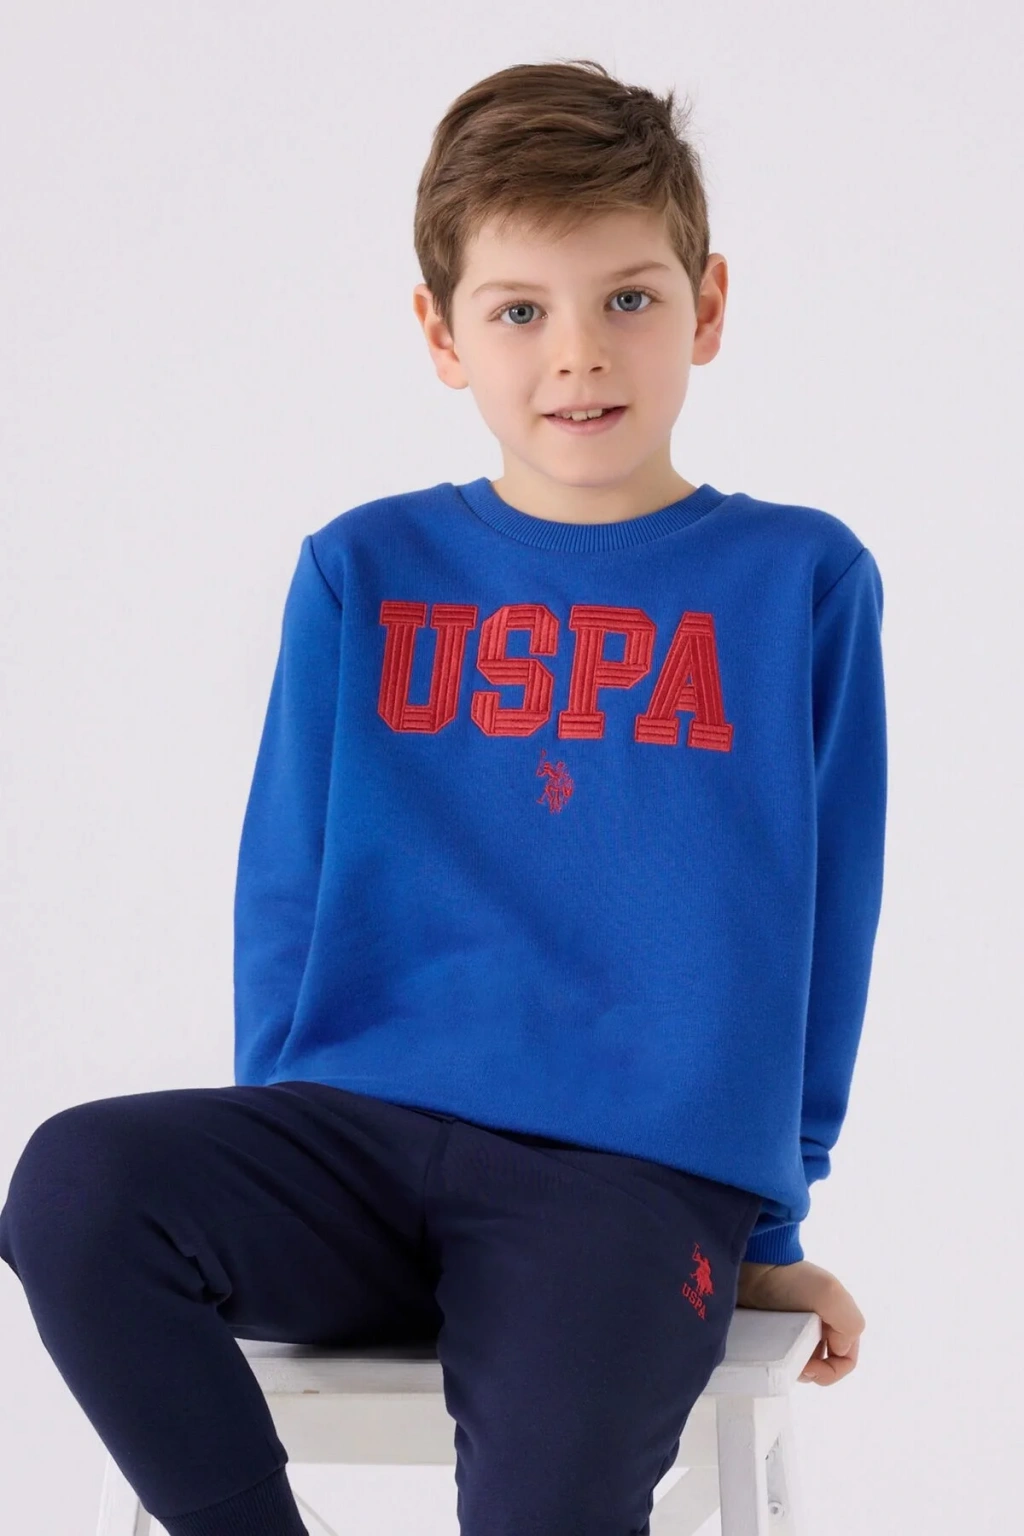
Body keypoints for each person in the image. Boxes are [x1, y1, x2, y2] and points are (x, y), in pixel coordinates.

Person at [0, 56, 885, 1536]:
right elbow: (287, 884)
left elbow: (825, 925)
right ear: (441, 333)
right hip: (353, 1149)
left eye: (629, 298)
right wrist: (282, 1137)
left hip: (625, 1188)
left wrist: (767, 1225)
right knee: (77, 1182)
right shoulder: (363, 566)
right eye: (520, 310)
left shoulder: (799, 582)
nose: (578, 356)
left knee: (549, 1494)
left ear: (707, 307)